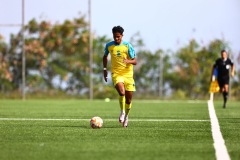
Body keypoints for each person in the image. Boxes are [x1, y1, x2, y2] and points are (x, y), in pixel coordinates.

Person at [103, 26, 137, 128]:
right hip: (116, 74)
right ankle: (122, 111)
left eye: (118, 36)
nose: (116, 38)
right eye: (114, 36)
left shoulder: (127, 46)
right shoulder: (109, 46)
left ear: (122, 35)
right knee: (121, 92)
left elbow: (135, 61)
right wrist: (105, 70)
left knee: (129, 100)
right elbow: (105, 56)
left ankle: (126, 116)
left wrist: (128, 61)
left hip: (128, 75)